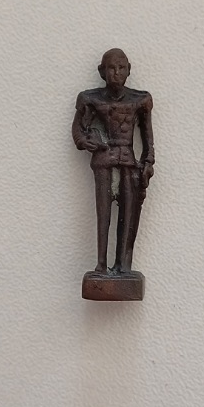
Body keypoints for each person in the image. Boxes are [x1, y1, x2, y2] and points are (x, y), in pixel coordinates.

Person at [72, 49, 154, 274]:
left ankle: (123, 265)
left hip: (129, 161)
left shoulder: (140, 100)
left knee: (128, 215)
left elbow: (147, 136)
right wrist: (85, 141)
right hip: (104, 160)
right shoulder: (91, 99)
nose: (116, 73)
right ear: (102, 72)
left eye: (121, 68)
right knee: (103, 213)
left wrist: (148, 162)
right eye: (111, 68)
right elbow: (78, 128)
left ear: (129, 70)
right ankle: (101, 264)